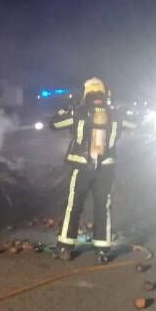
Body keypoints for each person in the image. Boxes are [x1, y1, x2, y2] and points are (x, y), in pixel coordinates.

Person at [49, 77, 135, 264]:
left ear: (86, 93)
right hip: (105, 170)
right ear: (105, 93)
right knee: (102, 208)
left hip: (81, 167)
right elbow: (135, 124)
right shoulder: (115, 115)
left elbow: (54, 124)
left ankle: (64, 248)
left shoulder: (77, 113)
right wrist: (119, 109)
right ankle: (102, 252)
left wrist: (67, 107)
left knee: (73, 206)